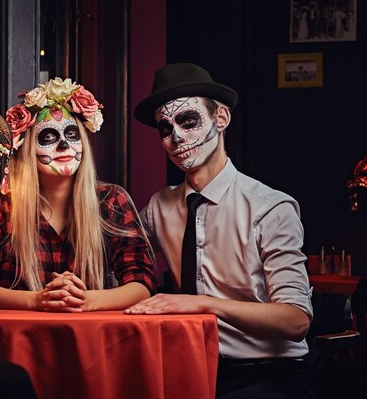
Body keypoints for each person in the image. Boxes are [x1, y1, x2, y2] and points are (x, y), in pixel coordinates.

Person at [127, 63, 313, 398]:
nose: (176, 138)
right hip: (187, 365)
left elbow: (296, 320)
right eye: (165, 128)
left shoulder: (270, 207)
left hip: (266, 375)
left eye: (188, 120)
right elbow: (115, 252)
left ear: (221, 118)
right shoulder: (159, 207)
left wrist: (202, 304)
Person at [0, 77, 156, 312]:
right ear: (26, 146)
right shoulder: (1, 201)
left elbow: (142, 282)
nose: (64, 146)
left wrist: (86, 300)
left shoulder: (111, 200)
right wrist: (37, 300)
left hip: (92, 337)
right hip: (19, 338)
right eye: (48, 137)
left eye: (72, 134)